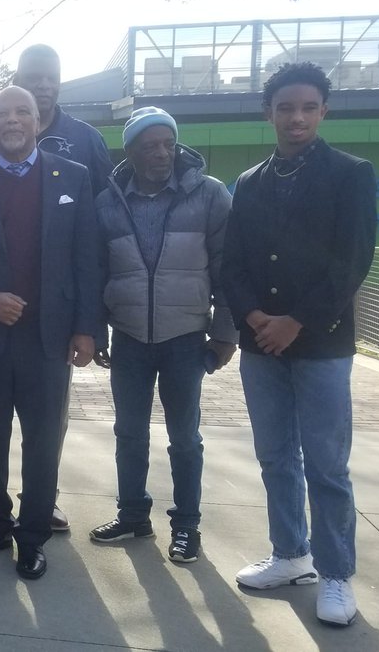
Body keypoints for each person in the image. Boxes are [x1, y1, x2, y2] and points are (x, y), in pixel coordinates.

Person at [222, 62, 376, 627]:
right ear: (270, 113)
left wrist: (297, 321)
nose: (297, 117)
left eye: (308, 107)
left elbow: (352, 261)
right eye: (286, 108)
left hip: (322, 345)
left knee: (328, 465)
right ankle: (291, 555)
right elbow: (232, 263)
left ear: (323, 112)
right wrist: (258, 316)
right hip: (261, 343)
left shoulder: (350, 174)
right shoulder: (250, 182)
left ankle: (336, 575)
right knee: (275, 457)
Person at [0, 86, 102, 579]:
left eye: (21, 112)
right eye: (2, 113)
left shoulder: (73, 177)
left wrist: (88, 329)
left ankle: (31, 538)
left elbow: (86, 258)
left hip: (48, 339)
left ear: (37, 120)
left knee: (43, 442)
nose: (12, 120)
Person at [87, 106, 237, 564]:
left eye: (168, 144)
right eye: (149, 146)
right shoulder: (108, 202)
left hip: (185, 338)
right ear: (130, 152)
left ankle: (187, 526)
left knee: (185, 438)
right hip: (130, 336)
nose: (162, 154)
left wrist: (225, 333)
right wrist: (96, 331)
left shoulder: (209, 195)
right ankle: (133, 514)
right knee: (129, 432)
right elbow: (94, 272)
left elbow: (228, 268)